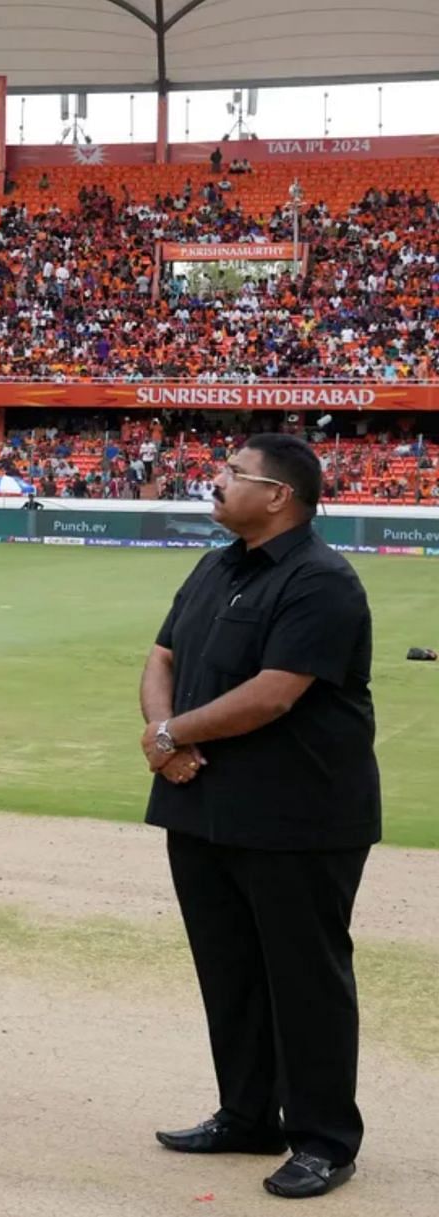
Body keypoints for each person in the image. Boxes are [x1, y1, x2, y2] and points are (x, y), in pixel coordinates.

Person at [140, 434, 379, 1200]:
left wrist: (175, 733)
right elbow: (162, 657)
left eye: (231, 475)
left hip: (298, 814)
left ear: (279, 495)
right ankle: (247, 1113)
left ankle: (324, 1138)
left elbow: (276, 692)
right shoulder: (216, 564)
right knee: (230, 971)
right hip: (202, 805)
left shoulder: (321, 581)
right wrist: (161, 736)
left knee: (304, 980)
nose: (214, 482)